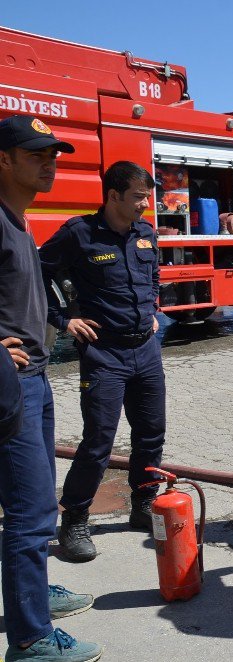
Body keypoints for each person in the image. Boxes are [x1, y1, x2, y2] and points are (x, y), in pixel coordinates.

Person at [0, 114, 102, 661]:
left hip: (33, 379)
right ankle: (31, 640)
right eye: (37, 154)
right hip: (10, 386)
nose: (51, 163)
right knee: (30, 510)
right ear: (4, 159)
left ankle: (33, 595)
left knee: (36, 503)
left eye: (54, 154)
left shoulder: (18, 219)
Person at [38, 161, 164, 564]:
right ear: (113, 195)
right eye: (138, 197)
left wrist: (153, 307)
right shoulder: (80, 233)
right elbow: (36, 274)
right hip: (104, 354)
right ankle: (74, 519)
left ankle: (143, 504)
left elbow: (154, 276)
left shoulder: (146, 233)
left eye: (147, 196)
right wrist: (63, 319)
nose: (146, 204)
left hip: (145, 350)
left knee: (150, 433)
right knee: (98, 441)